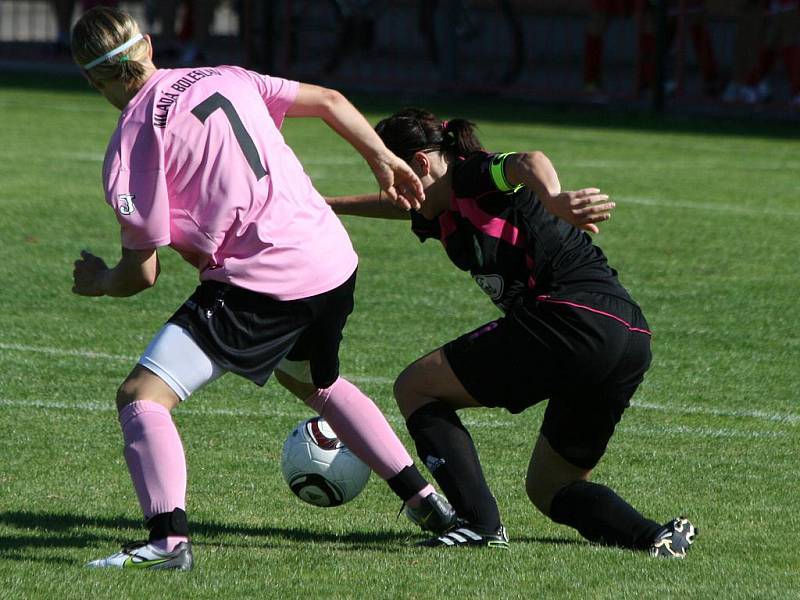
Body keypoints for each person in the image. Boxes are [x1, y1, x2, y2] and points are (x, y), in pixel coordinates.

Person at [69, 7, 455, 571]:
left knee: (141, 398)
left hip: (264, 283)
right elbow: (328, 100)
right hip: (331, 260)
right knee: (312, 380)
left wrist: (99, 282)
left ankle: (167, 543)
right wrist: (382, 158)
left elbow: (141, 275)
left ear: (90, 78)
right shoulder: (226, 74)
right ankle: (428, 504)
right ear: (148, 45)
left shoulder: (131, 145)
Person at [326, 108, 698, 557]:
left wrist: (556, 198)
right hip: (627, 335)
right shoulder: (438, 205)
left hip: (569, 319)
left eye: (390, 172)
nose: (388, 186)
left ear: (422, 164)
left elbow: (527, 161)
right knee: (551, 488)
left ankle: (479, 525)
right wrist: (327, 204)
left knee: (415, 387)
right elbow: (398, 207)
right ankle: (654, 537)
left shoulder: (471, 176)